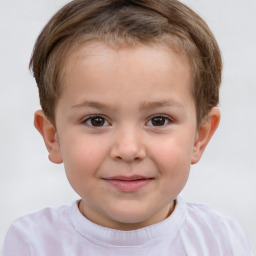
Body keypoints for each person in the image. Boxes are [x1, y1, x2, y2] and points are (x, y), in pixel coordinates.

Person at [2, 0, 253, 255]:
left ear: (200, 137)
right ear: (52, 137)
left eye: (158, 120)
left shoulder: (221, 239)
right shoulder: (31, 243)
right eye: (96, 120)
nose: (128, 149)